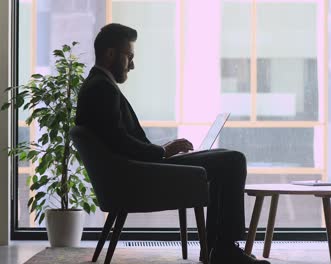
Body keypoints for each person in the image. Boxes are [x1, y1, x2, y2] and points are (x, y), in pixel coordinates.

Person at [75, 23, 270, 264]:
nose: (132, 65)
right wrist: (163, 151)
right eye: (129, 56)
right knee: (232, 160)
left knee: (224, 159)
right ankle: (223, 250)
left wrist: (164, 149)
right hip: (139, 177)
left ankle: (218, 248)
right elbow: (121, 143)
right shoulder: (101, 89)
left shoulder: (97, 85)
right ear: (111, 54)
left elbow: (120, 143)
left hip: (138, 170)